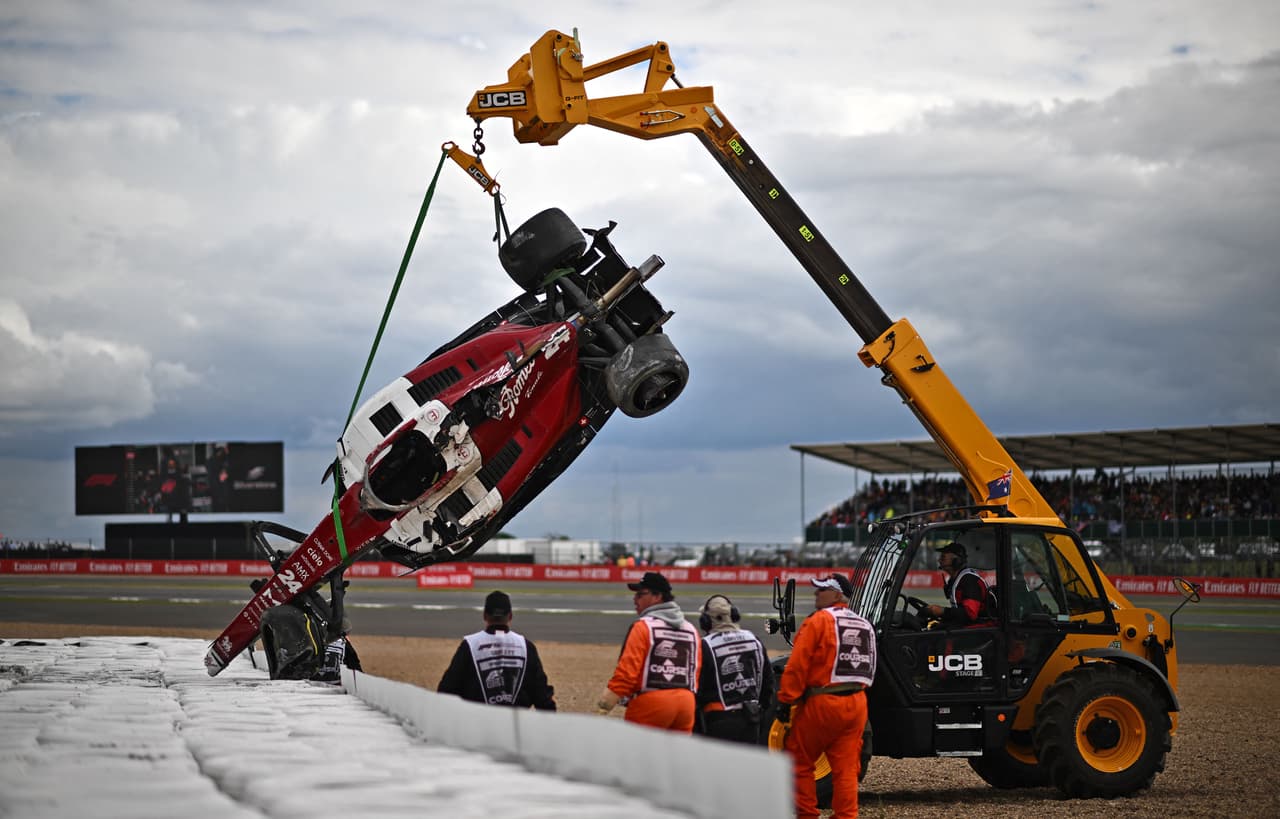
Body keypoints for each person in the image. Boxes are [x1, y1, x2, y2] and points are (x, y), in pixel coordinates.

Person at [777, 573, 876, 819]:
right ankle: (846, 816)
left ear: (837, 595)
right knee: (846, 768)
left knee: (799, 760)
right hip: (857, 703)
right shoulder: (864, 625)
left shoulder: (819, 621)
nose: (816, 593)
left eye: (822, 590)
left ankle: (807, 814)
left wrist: (787, 700)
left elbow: (797, 665)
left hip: (823, 702)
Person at [596, 571, 700, 731]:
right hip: (686, 703)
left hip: (651, 702)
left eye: (640, 594)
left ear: (657, 596)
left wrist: (606, 704)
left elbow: (627, 672)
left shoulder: (643, 626)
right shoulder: (691, 629)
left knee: (638, 748)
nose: (635, 599)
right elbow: (695, 671)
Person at [437, 590, 557, 710]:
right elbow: (542, 697)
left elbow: (446, 690)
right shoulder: (526, 647)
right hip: (515, 721)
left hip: (478, 719)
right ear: (510, 616)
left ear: (484, 615)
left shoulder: (469, 645)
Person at [694, 593, 774, 743]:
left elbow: (697, 686)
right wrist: (761, 710)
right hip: (752, 718)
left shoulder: (705, 645)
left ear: (706, 621)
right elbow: (768, 682)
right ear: (733, 615)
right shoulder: (753, 639)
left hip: (718, 720)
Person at [925, 542, 991, 625]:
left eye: (943, 557)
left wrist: (942, 611)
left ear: (956, 561)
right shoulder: (956, 579)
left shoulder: (969, 580)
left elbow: (970, 614)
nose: (939, 560)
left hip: (981, 627)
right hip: (968, 625)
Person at [311, 617, 362, 683]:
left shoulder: (308, 641)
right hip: (335, 684)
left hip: (308, 685)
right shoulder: (344, 642)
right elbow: (356, 668)